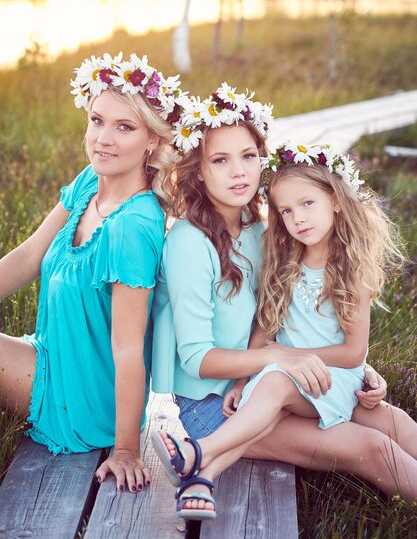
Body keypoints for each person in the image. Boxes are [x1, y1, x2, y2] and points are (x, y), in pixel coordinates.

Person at [151, 88, 397, 520]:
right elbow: (197, 360)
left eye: (248, 156)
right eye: (219, 160)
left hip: (275, 378)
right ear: (198, 171)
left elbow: (293, 315)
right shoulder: (190, 243)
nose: (239, 172)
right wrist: (281, 358)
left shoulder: (265, 230)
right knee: (372, 447)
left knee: (389, 420)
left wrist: (358, 364)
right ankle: (199, 462)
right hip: (213, 404)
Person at [0, 52, 184, 493]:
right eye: (97, 120)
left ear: (152, 142)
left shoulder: (132, 229)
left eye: (124, 127)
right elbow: (27, 257)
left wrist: (125, 450)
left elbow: (127, 349)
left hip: (83, 399)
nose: (104, 138)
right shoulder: (90, 182)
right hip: (50, 356)